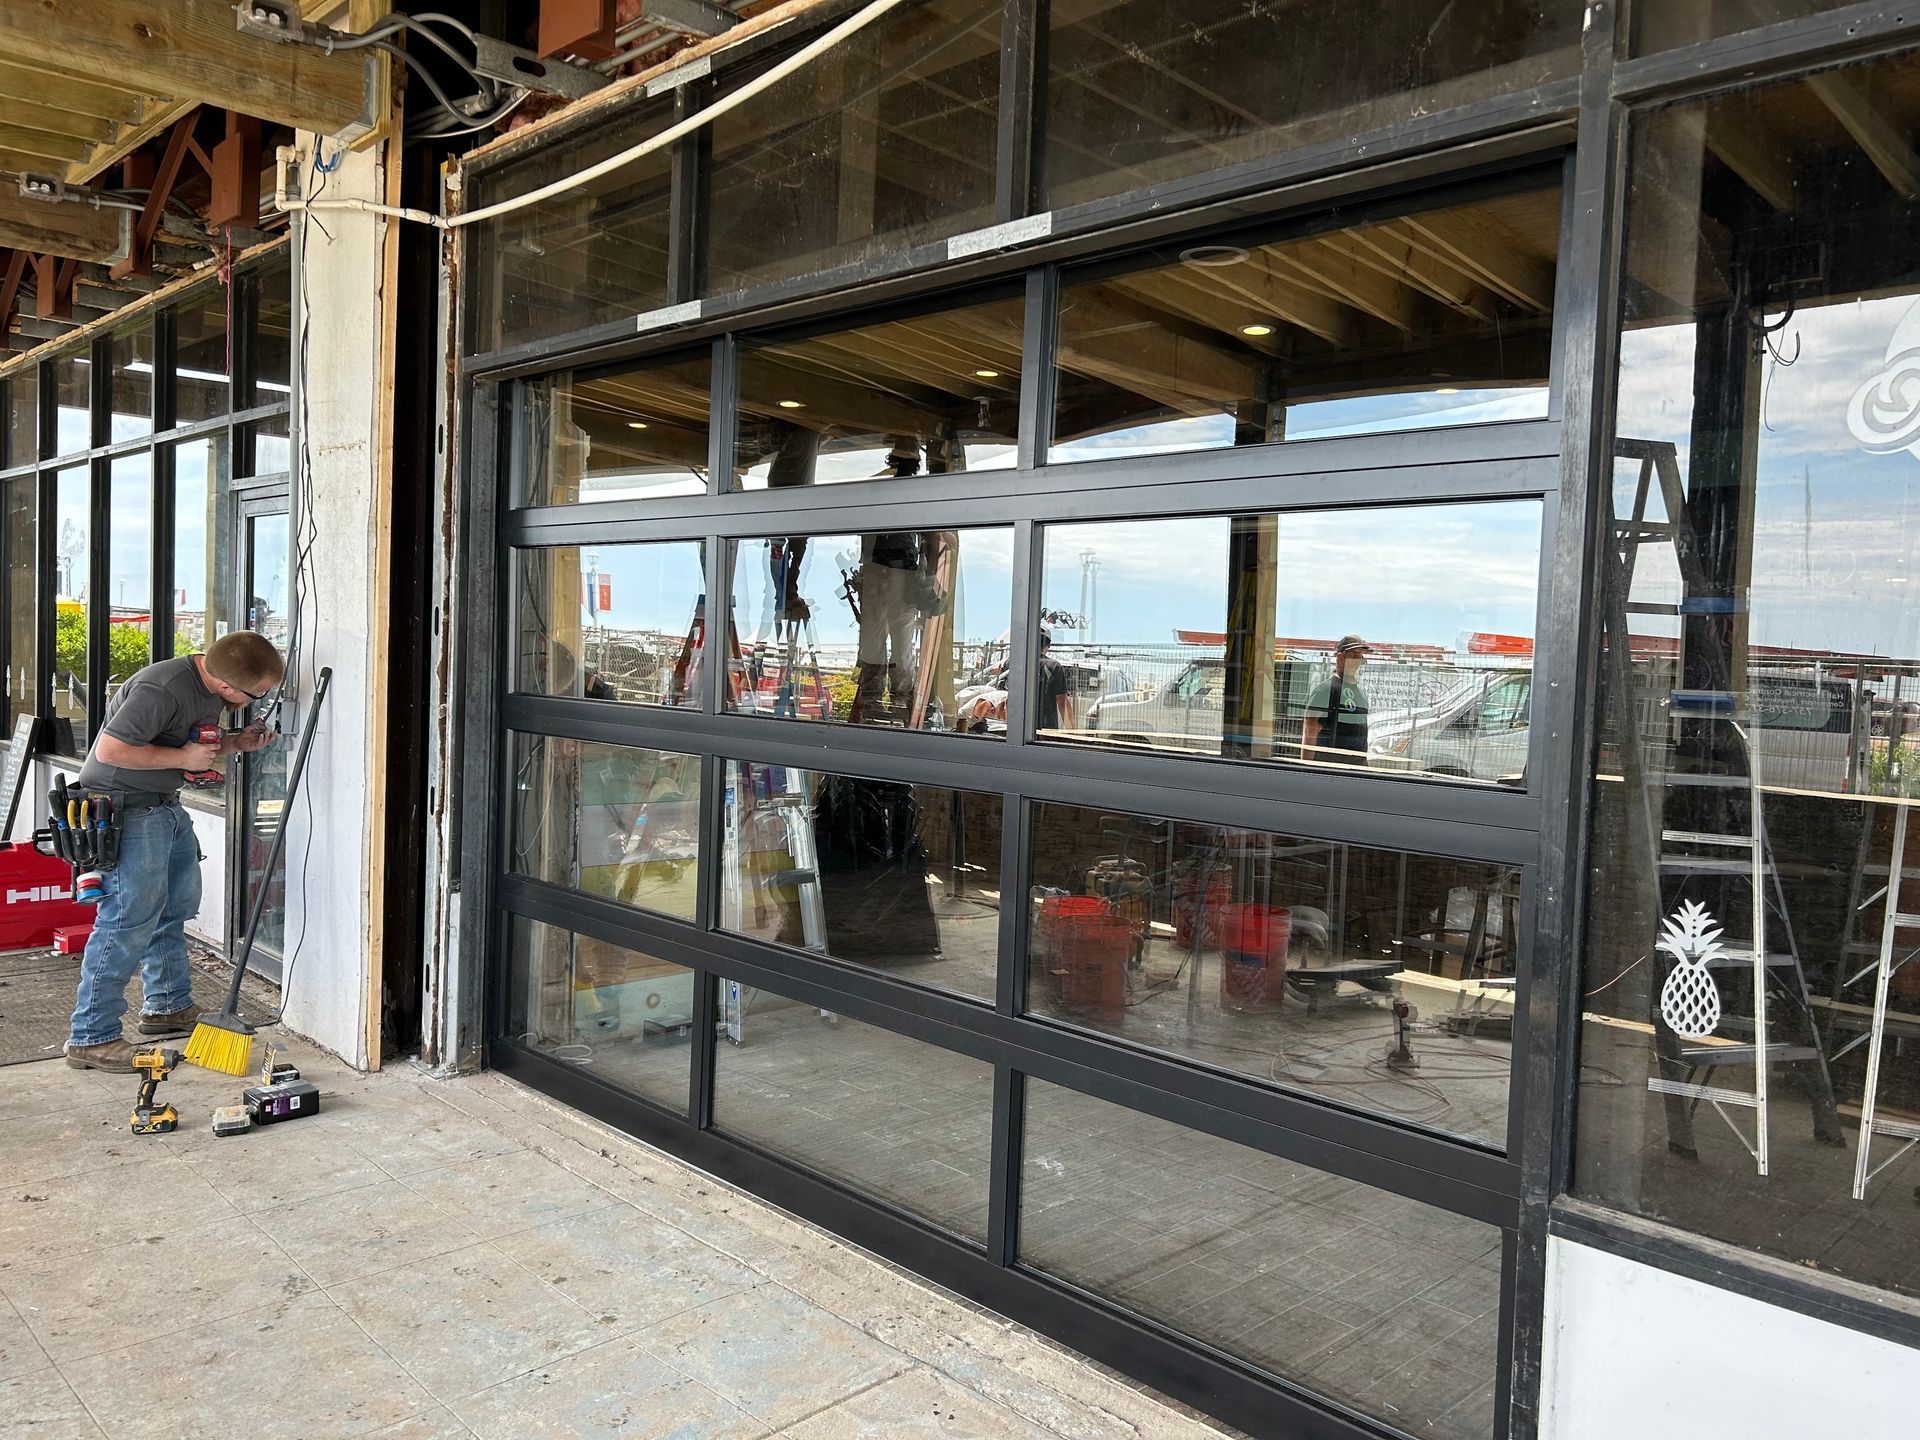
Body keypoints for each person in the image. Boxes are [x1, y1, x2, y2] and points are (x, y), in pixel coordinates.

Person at [63, 631, 285, 1071]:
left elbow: (186, 743)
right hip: (124, 809)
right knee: (125, 921)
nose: (258, 701)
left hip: (163, 805)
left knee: (171, 909)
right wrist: (183, 758)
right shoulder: (161, 687)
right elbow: (111, 750)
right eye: (256, 694)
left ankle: (166, 1006)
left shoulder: (209, 687)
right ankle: (91, 1036)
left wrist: (235, 743)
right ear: (225, 684)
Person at [1302, 634, 1371, 765]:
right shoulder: (1324, 690)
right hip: (1329, 768)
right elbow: (1310, 729)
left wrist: (1364, 766)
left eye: (1360, 656)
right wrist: (1306, 768)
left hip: (1355, 769)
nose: (1358, 661)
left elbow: (1362, 736)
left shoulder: (1362, 695)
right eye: (1354, 654)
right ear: (1340, 657)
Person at [1036, 627, 1076, 733]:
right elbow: (1062, 702)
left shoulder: (1015, 663)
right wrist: (1072, 733)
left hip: (1017, 729)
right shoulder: (1054, 666)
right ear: (1048, 645)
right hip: (1046, 729)